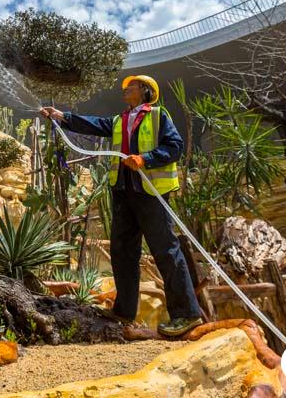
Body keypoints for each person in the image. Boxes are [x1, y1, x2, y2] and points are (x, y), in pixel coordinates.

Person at [41, 75, 204, 337]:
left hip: (151, 192)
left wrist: (146, 159)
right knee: (122, 251)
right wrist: (62, 116)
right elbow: (95, 124)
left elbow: (175, 147)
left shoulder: (158, 116)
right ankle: (124, 311)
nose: (125, 90)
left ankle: (187, 314)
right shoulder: (119, 120)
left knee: (166, 251)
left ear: (145, 91)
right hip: (123, 193)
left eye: (131, 86)